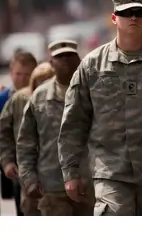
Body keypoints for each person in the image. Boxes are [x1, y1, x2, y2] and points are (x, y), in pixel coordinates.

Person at [58, 0, 142, 216]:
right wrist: (70, 172)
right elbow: (74, 122)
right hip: (110, 171)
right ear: (114, 18)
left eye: (138, 12)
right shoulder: (92, 65)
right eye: (126, 13)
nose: (133, 18)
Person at [18, 41, 93, 216]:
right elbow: (25, 143)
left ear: (79, 60)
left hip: (91, 186)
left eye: (69, 56)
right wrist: (29, 179)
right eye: (59, 57)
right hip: (52, 188)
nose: (65, 60)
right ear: (51, 63)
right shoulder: (39, 97)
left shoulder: (93, 92)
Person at [0, 62, 54, 216]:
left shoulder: (64, 99)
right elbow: (4, 132)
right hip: (26, 174)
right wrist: (7, 161)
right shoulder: (19, 100)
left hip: (57, 180)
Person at [0, 51, 37, 216]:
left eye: (27, 74)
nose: (22, 79)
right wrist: (6, 162)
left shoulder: (42, 97)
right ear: (10, 72)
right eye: (18, 74)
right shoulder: (4, 99)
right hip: (15, 167)